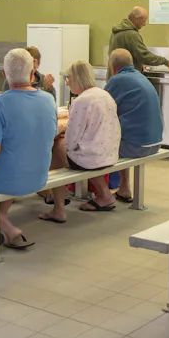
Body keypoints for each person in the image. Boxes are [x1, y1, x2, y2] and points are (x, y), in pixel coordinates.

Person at [0, 48, 56, 250]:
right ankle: (0, 222)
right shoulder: (49, 100)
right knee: (11, 163)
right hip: (39, 178)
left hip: (10, 179)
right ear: (33, 74)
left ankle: (0, 227)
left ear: (4, 75)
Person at [40, 61, 120, 222]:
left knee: (57, 147)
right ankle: (105, 195)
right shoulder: (104, 94)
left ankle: (58, 208)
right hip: (110, 153)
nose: (67, 82)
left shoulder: (81, 101)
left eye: (68, 78)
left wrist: (61, 132)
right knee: (75, 148)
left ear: (77, 78)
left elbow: (71, 140)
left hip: (91, 158)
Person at [104, 48, 162, 202]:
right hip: (155, 142)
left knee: (95, 146)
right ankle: (124, 188)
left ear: (113, 68)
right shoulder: (141, 77)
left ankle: (102, 194)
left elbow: (100, 107)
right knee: (120, 136)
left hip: (137, 146)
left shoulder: (117, 80)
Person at [109, 6, 169, 71]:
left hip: (114, 76)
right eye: (144, 20)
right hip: (125, 78)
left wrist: (139, 65)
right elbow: (144, 56)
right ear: (137, 19)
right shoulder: (132, 34)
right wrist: (165, 61)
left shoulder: (117, 30)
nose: (144, 24)